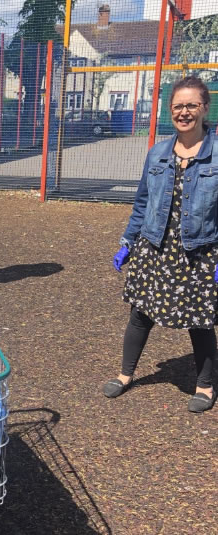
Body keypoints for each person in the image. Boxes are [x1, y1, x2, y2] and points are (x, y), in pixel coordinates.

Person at [105, 76, 218, 413]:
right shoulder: (157, 153)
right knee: (140, 314)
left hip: (198, 252)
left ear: (205, 108)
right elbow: (142, 203)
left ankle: (205, 386)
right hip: (155, 247)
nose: (184, 112)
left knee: (200, 321)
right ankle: (125, 374)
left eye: (191, 105)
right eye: (178, 106)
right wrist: (128, 242)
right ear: (170, 111)